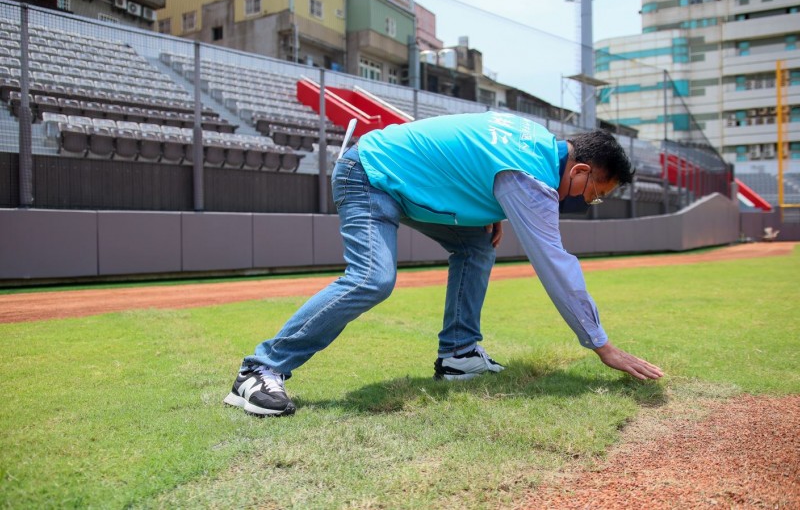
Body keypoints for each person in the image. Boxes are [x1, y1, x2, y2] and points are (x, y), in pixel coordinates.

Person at [223, 111, 664, 417]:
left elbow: (465, 159)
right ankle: (259, 370)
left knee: (476, 246)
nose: (592, 200)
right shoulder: (531, 175)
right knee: (372, 279)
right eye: (597, 191)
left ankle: (459, 356)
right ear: (582, 169)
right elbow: (555, 265)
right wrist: (600, 345)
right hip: (369, 174)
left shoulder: (532, 139)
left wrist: (489, 211)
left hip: (402, 176)